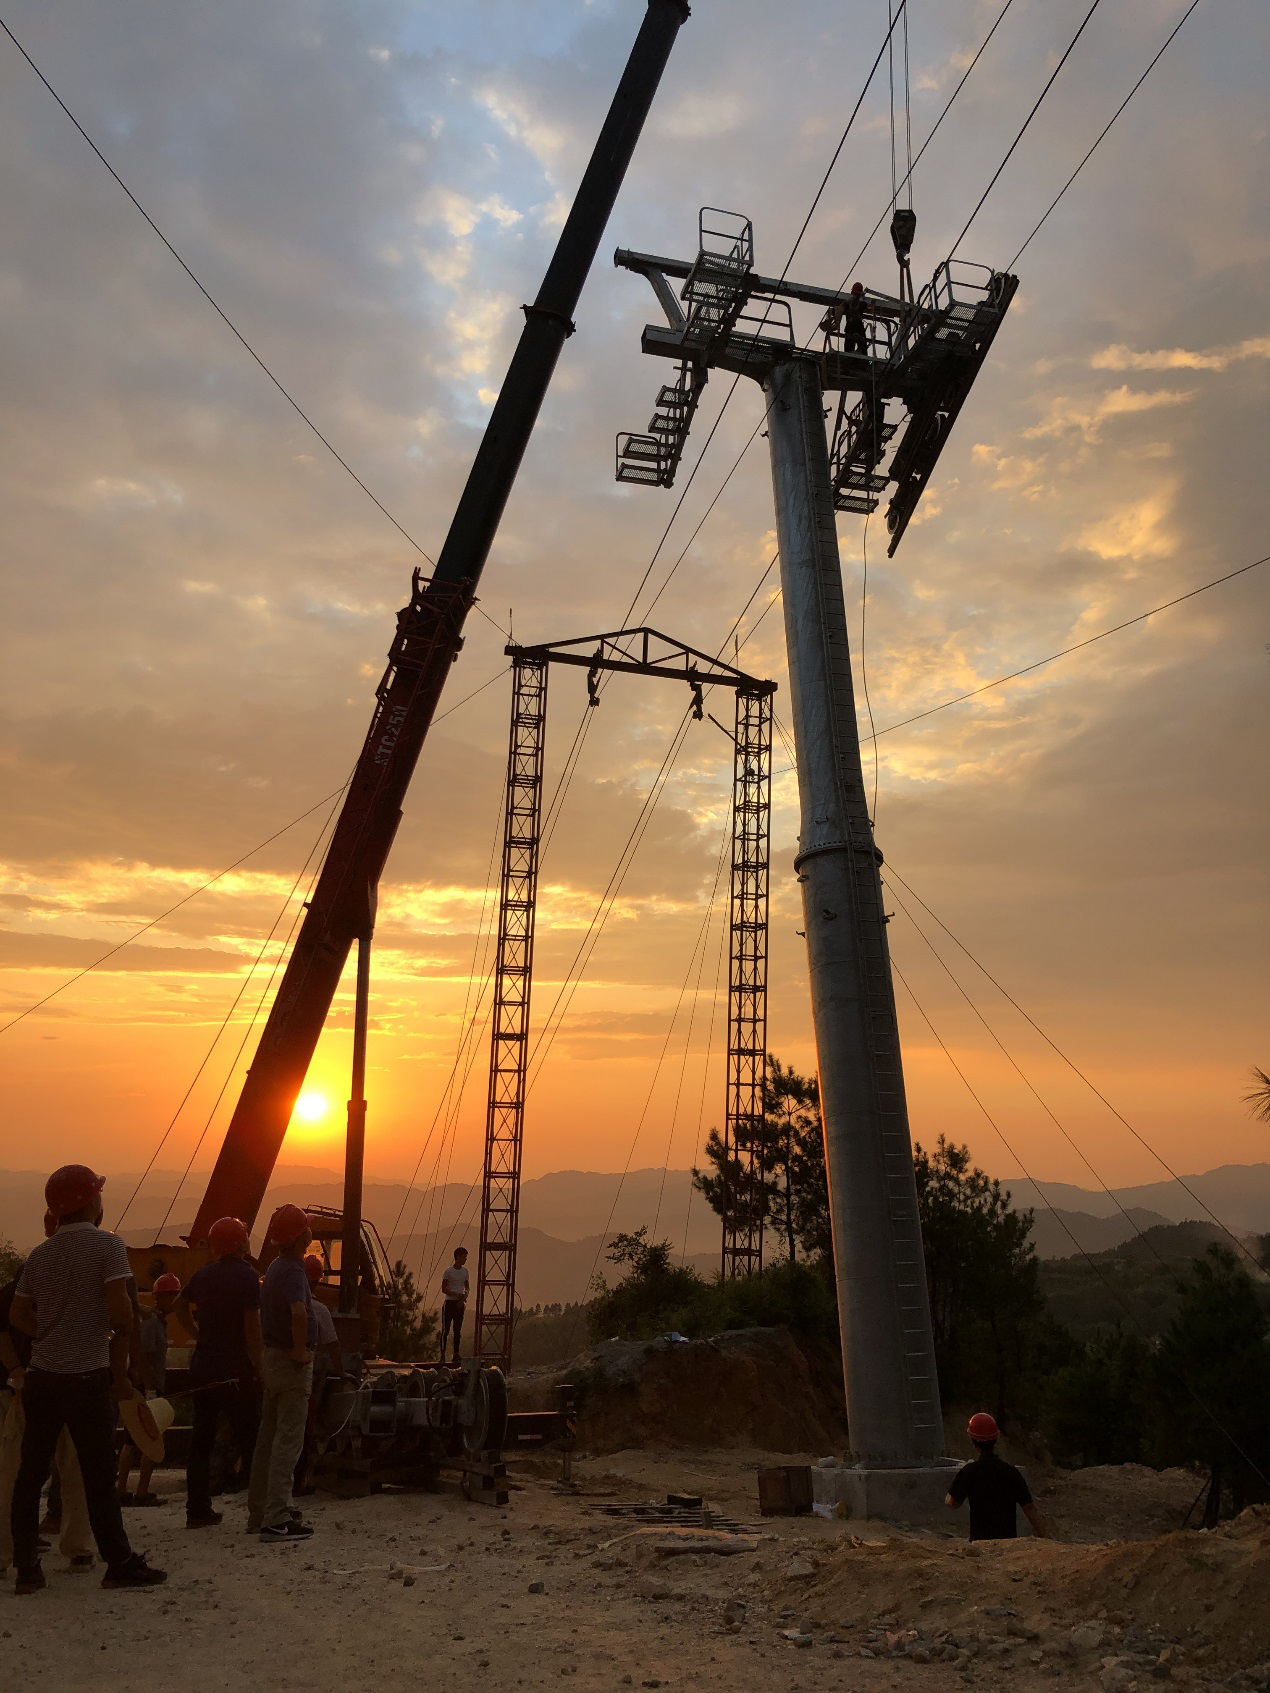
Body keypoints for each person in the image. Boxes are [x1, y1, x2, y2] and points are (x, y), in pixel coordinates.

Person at [8, 1165, 167, 1593]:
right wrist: (115, 1328)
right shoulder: (107, 1246)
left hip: (43, 1378)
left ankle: (27, 1570)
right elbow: (119, 1313)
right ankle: (119, 1562)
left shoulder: (40, 1255)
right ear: (90, 1202)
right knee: (97, 1476)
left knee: (30, 1473)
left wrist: (52, 1332)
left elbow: (18, 1315)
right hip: (85, 1377)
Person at [1, 1222, 93, 1578]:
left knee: (18, 1473)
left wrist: (19, 1370)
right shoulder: (81, 1270)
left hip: (30, 1386)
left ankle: (8, 1553)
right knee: (72, 1469)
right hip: (62, 1383)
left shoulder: (34, 1266)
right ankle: (78, 1547)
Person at [179, 1216, 263, 1530]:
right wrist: (260, 1364)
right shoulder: (246, 1277)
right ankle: (261, 1509)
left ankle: (197, 1509)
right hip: (234, 1372)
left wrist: (197, 1333)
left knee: (201, 1439)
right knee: (252, 1438)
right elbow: (252, 1327)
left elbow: (178, 1304)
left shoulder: (203, 1274)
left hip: (203, 1369)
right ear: (241, 1242)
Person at [247, 1205, 317, 1542]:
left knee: (268, 1437)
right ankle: (276, 1518)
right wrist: (301, 1351)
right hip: (290, 1363)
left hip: (272, 1358)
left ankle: (260, 1511)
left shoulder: (275, 1267)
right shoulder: (293, 1270)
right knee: (288, 1439)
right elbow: (299, 1313)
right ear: (301, 1235)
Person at [116, 1273, 181, 1508]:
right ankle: (140, 1490)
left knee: (132, 1439)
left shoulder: (154, 1321)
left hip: (145, 1385)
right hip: (148, 1387)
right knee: (148, 1438)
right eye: (173, 1295)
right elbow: (142, 1354)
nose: (176, 1299)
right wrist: (151, 1387)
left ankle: (122, 1488)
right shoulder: (153, 1324)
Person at [945, 1411, 1048, 1541]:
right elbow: (1029, 1508)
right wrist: (1046, 1538)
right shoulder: (1011, 1472)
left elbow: (953, 1503)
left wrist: (949, 1495)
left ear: (973, 1441)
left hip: (980, 1543)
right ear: (995, 1438)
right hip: (1008, 1543)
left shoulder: (969, 1471)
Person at [293, 1255, 344, 1496]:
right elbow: (332, 1345)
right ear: (317, 1282)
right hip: (310, 1376)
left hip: (283, 1372)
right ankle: (299, 1481)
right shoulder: (319, 1310)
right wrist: (342, 1373)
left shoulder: (286, 1304)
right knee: (306, 1425)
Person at [820, 280, 869, 355]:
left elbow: (837, 310)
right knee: (860, 347)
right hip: (857, 326)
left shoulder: (848, 303)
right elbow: (870, 308)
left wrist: (833, 312)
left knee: (851, 348)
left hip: (851, 326)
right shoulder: (860, 303)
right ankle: (859, 356)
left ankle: (854, 356)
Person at [439, 1247, 469, 1367]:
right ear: (458, 1257)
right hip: (450, 1303)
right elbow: (444, 1289)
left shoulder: (465, 1271)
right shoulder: (448, 1271)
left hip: (460, 1304)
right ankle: (442, 1354)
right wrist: (455, 1294)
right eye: (464, 1256)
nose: (465, 1259)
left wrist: (465, 1295)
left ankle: (456, 1354)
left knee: (457, 1330)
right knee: (445, 1329)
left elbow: (467, 1286)